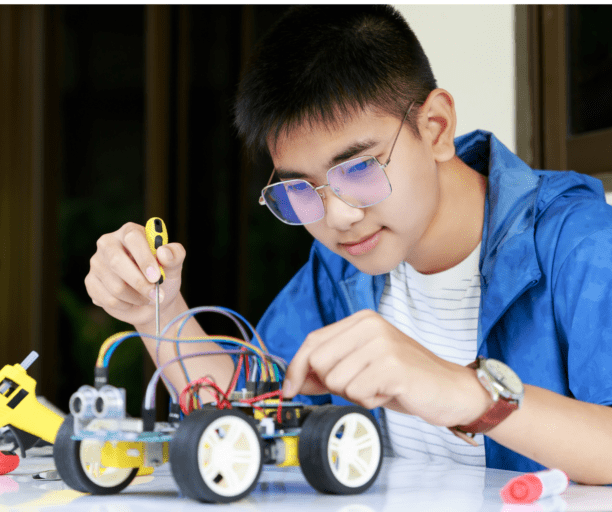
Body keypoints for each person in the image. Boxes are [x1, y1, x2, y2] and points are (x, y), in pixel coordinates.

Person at [85, 5, 612, 484]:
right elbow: (249, 410)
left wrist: (465, 393)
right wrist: (156, 310)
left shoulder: (581, 243)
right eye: (299, 190)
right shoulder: (342, 268)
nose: (337, 216)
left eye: (358, 168)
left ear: (435, 127)